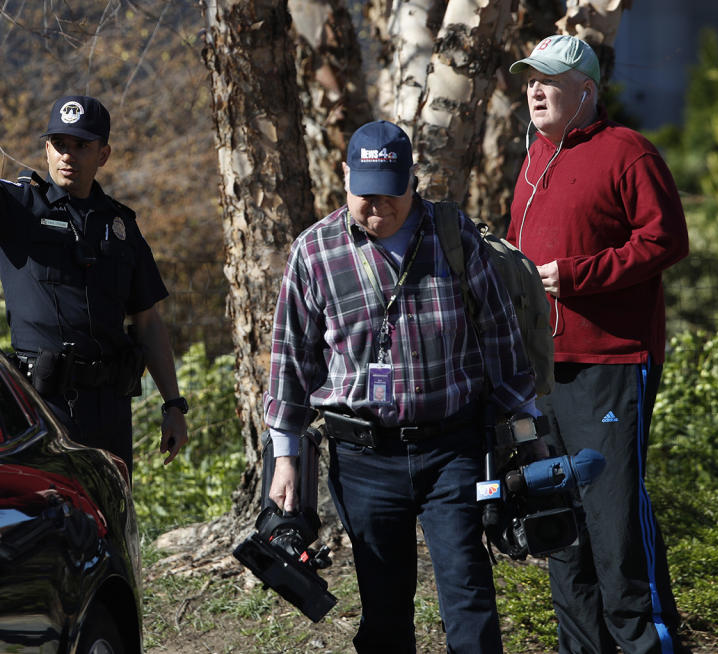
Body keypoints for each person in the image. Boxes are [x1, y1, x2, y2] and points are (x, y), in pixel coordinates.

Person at [264, 119, 538, 653]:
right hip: (363, 458)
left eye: (392, 196)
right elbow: (290, 362)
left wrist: (528, 435)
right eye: (365, 195)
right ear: (344, 176)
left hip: (453, 449)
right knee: (385, 608)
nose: (379, 209)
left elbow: (503, 343)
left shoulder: (456, 237)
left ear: (413, 181)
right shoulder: (314, 252)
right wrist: (285, 457)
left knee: (468, 593)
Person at [0, 30, 188, 469]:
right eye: (59, 144)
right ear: (47, 149)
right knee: (53, 524)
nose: (68, 155)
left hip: (111, 411)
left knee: (112, 526)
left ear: (103, 154)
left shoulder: (121, 225)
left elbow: (147, 320)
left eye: (81, 145)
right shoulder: (18, 205)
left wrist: (173, 405)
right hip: (43, 410)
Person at [507, 35, 690, 654]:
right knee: (560, 522)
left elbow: (665, 240)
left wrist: (579, 273)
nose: (534, 89)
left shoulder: (627, 152)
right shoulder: (533, 156)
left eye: (549, 80)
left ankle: (645, 644)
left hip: (612, 363)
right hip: (542, 371)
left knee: (613, 520)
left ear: (586, 91)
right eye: (529, 78)